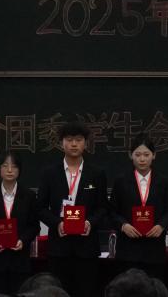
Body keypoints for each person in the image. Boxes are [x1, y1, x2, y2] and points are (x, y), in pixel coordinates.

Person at [36, 121, 109, 297]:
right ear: (62, 143)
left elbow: (103, 207)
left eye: (78, 140)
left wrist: (90, 222)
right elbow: (40, 208)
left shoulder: (97, 173)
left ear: (85, 143)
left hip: (87, 247)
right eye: (69, 140)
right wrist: (57, 223)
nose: (74, 144)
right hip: (59, 247)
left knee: (86, 291)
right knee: (58, 292)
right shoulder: (49, 173)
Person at [0, 151, 41, 295]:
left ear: (19, 170)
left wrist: (23, 240)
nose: (10, 170)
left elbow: (34, 226)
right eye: (5, 166)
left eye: (14, 166)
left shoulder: (28, 195)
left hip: (20, 262)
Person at [110, 135, 168, 281]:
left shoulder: (163, 181)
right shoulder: (121, 181)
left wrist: (161, 226)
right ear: (131, 155)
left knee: (154, 287)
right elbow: (112, 211)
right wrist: (123, 225)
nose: (142, 159)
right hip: (128, 248)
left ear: (154, 155)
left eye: (146, 154)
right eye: (138, 155)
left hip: (154, 249)